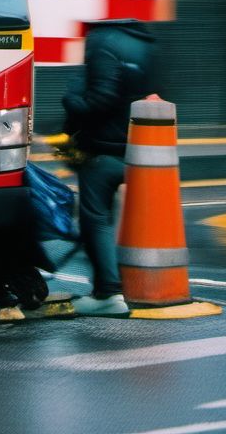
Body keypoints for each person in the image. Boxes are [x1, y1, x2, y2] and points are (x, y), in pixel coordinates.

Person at [62, 18, 157, 316]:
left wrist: (72, 102)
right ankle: (129, 285)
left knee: (97, 216)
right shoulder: (146, 41)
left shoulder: (102, 39)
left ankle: (107, 293)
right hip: (142, 146)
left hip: (104, 147)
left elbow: (101, 97)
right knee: (112, 216)